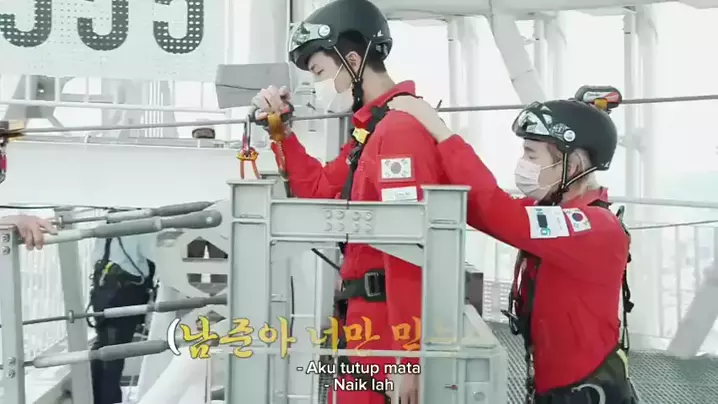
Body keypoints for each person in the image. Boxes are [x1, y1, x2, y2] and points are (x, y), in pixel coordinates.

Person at [387, 92, 639, 404]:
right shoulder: (557, 214)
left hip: (584, 393)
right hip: (555, 387)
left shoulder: (596, 228)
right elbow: (480, 209)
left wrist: (440, 131)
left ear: (572, 165)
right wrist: (428, 151)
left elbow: (499, 213)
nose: (524, 165)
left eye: (532, 155)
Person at [251, 0, 446, 402]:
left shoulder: (399, 132)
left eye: (319, 71)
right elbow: (320, 189)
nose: (317, 85)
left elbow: (409, 250)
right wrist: (281, 132)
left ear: (353, 61)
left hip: (387, 331)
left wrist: (408, 360)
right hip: (366, 325)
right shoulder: (370, 131)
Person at [89, 233, 156, 404]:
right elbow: (156, 254)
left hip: (102, 290)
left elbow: (95, 256)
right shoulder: (140, 225)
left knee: (103, 343)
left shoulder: (108, 223)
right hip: (125, 293)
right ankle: (109, 399)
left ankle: (92, 396)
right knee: (116, 351)